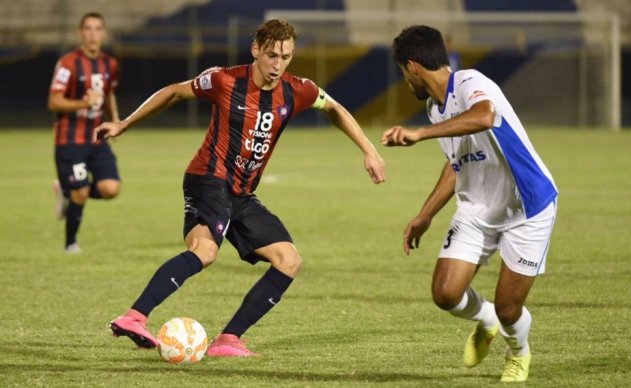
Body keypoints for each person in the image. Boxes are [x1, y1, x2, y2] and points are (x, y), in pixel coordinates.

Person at [94, 19, 386, 357]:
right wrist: (125, 123)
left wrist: (369, 149)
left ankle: (228, 339)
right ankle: (134, 317)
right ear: (256, 50)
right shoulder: (224, 79)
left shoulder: (297, 89)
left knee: (288, 260)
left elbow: (334, 108)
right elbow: (174, 91)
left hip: (242, 193)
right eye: (272, 55)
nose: (278, 65)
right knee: (206, 251)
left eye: (286, 57)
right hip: (208, 178)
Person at [381, 25, 557, 383]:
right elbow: (456, 161)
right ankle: (486, 319)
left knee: (511, 309)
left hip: (526, 207)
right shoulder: (434, 108)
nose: (405, 81)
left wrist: (419, 134)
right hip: (478, 209)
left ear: (413, 67)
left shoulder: (468, 82)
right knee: (445, 293)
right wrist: (425, 215)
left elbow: (485, 115)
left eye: (403, 72)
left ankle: (518, 351)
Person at [48, 12, 121, 254]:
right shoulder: (68, 63)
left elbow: (109, 93)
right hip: (70, 139)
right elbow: (54, 101)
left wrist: (117, 121)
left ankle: (67, 189)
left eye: (97, 28)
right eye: (87, 29)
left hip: (96, 139)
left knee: (111, 189)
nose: (92, 33)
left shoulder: (110, 64)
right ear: (80, 33)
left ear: (104, 33)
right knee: (80, 191)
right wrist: (83, 103)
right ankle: (70, 244)